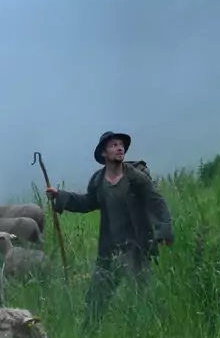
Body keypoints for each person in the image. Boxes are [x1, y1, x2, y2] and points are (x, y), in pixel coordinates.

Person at [46, 131, 174, 327]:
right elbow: (87, 202)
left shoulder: (136, 178)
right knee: (96, 297)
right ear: (104, 153)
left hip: (135, 247)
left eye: (121, 145)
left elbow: (156, 201)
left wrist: (164, 229)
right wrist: (60, 196)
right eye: (114, 145)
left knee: (144, 295)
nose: (120, 148)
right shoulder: (98, 181)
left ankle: (156, 329)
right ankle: (88, 335)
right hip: (109, 249)